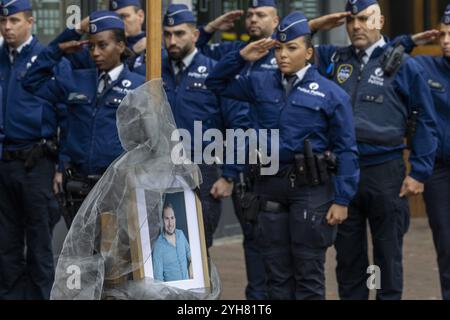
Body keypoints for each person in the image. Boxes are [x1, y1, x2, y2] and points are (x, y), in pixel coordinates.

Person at [206, 12, 360, 300]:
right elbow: (215, 83)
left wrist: (342, 200)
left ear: (309, 52)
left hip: (310, 191)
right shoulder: (260, 82)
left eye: (291, 48)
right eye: (278, 49)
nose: (283, 55)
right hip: (269, 188)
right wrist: (241, 56)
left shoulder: (330, 93)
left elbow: (347, 150)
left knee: (309, 275)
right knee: (275, 275)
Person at [310, 0, 438, 300]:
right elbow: (294, 43)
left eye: (364, 19)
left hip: (385, 172)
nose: (356, 26)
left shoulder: (405, 65)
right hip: (343, 173)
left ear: (379, 21)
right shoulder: (335, 58)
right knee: (349, 257)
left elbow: (425, 120)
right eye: (351, 20)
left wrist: (419, 171)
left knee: (386, 255)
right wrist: (319, 24)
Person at [23, 11, 145, 226]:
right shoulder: (76, 80)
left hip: (117, 188)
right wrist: (59, 48)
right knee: (81, 257)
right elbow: (31, 82)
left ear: (120, 45)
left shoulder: (138, 85)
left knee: (115, 257)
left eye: (102, 45)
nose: (95, 52)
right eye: (91, 46)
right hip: (79, 188)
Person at [196, 0, 282, 299]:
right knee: (254, 246)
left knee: (283, 248)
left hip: (278, 163)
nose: (253, 19)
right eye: (250, 15)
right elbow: (195, 53)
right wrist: (209, 29)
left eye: (261, 14)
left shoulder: (284, 57)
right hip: (245, 166)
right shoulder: (234, 54)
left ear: (276, 19)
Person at [161, 4, 251, 250]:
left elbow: (238, 126)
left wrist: (230, 175)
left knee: (198, 250)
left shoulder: (214, 72)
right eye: (167, 34)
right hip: (159, 170)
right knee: (161, 245)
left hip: (202, 171)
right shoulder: (155, 71)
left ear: (195, 35)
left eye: (179, 33)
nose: (172, 40)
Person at [0, 0, 65, 300]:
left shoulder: (45, 58)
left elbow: (66, 111)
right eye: (3, 22)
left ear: (30, 22)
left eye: (14, 21)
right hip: (5, 163)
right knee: (6, 245)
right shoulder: (1, 58)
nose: (8, 27)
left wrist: (61, 165)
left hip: (37, 163)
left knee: (39, 246)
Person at [394, 5, 450, 300]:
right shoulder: (426, 68)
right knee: (447, 245)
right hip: (440, 171)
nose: (446, 40)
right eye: (443, 33)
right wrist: (410, 41)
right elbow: (382, 58)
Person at [152, 203, 191, 282]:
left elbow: (189, 253)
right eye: (167, 219)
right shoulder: (158, 246)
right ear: (162, 220)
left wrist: (191, 266)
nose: (170, 224)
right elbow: (158, 279)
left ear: (175, 219)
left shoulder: (181, 234)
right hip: (173, 292)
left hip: (189, 287)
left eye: (172, 218)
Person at [109, 0, 147, 72]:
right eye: (116, 18)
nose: (120, 22)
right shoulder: (110, 46)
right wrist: (133, 52)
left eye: (124, 16)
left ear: (140, 16)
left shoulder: (154, 42)